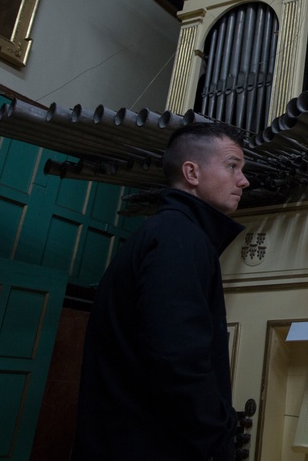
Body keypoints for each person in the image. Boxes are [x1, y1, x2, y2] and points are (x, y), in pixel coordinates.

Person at [73, 122, 250, 461]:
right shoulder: (178, 238)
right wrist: (216, 437)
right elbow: (176, 359)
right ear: (192, 172)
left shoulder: (165, 232)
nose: (244, 180)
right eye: (232, 166)